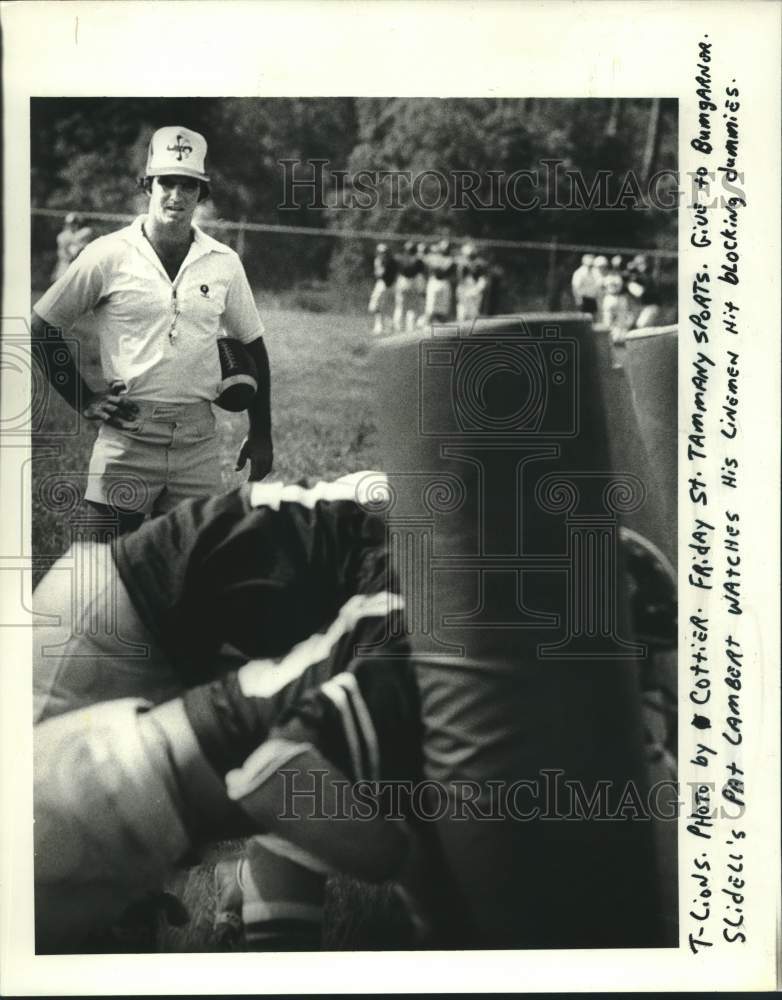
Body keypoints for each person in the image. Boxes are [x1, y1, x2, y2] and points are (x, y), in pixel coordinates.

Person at [33, 461, 676, 952]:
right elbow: (283, 773)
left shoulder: (453, 571)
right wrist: (411, 868)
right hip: (120, 626)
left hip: (153, 664)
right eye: (634, 664)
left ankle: (244, 923)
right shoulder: (428, 592)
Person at [32, 125, 273, 534]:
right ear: (148, 185)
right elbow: (43, 325)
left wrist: (262, 433)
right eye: (167, 183)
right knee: (101, 578)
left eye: (188, 185)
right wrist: (82, 398)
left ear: (201, 193)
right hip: (128, 435)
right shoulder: (108, 253)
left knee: (189, 581)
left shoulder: (224, 262)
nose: (176, 195)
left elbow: (254, 346)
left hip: (197, 442)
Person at [51, 212, 94, 282]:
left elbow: (86, 234)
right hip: (65, 263)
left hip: (78, 264)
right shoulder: (62, 235)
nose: (73, 226)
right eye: (71, 224)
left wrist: (74, 242)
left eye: (75, 223)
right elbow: (64, 249)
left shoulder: (85, 232)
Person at [367, 243, 398, 335]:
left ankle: (386, 327)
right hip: (383, 284)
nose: (382, 254)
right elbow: (378, 274)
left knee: (384, 307)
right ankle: (380, 326)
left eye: (383, 252)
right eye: (380, 252)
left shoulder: (390, 262)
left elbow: (381, 274)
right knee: (377, 307)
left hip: (387, 285)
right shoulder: (379, 260)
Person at [627, 254, 662, 328]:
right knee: (631, 324)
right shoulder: (635, 275)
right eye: (638, 264)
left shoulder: (650, 274)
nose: (640, 265)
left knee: (641, 325)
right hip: (641, 306)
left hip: (651, 306)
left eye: (642, 263)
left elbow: (644, 286)